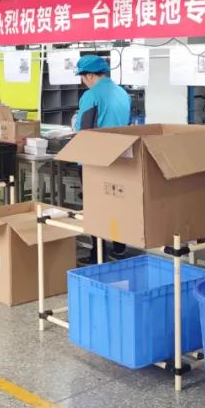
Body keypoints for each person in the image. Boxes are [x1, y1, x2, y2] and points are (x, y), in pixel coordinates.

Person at [71, 55, 132, 262]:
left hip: (94, 161)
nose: (83, 82)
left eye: (82, 77)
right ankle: (120, 247)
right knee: (117, 203)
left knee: (95, 207)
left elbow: (84, 130)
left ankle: (97, 253)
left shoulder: (91, 95)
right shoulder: (123, 93)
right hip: (120, 158)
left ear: (89, 75)